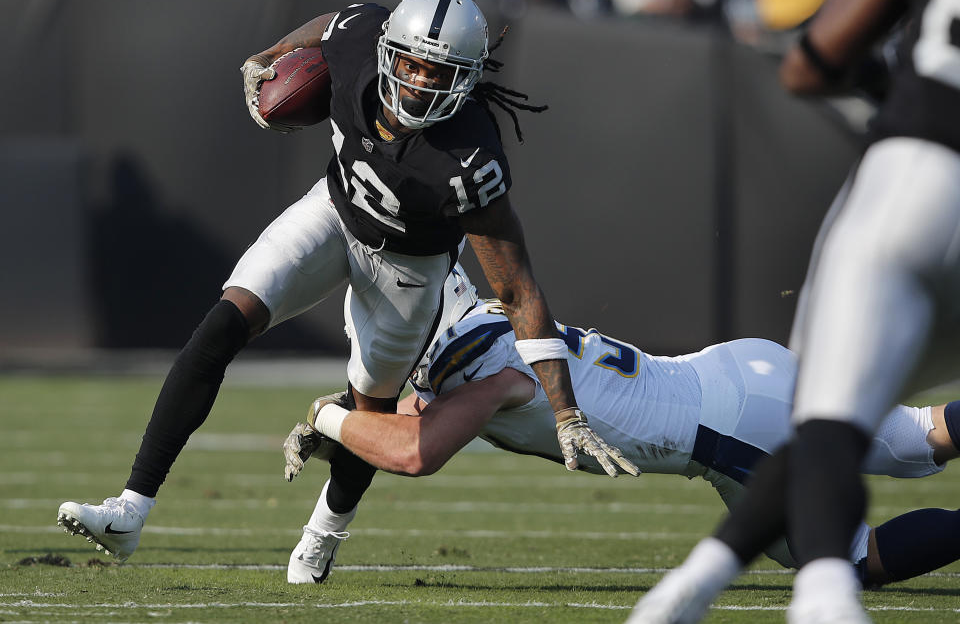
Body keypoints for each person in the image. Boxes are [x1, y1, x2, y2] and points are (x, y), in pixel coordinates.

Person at [57, 0, 636, 565]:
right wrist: (267, 55)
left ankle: (322, 536)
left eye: (439, 72)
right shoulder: (361, 39)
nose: (419, 82)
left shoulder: (468, 159)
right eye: (410, 63)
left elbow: (515, 286)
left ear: (465, 78)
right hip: (333, 213)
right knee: (223, 324)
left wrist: (566, 411)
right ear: (388, 50)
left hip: (409, 270)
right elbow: (334, 21)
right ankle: (131, 510)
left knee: (369, 416)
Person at [630, 0, 960, 622]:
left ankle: (782, 594)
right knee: (861, 429)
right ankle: (701, 578)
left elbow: (810, 60)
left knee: (832, 426)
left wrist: (891, 85)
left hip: (919, 171)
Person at [281, 265, 960, 586]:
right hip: (740, 370)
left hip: (733, 434)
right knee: (920, 436)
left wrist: (328, 413)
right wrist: (345, 423)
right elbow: (407, 419)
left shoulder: (488, 372)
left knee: (845, 560)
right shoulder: (489, 333)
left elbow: (414, 453)